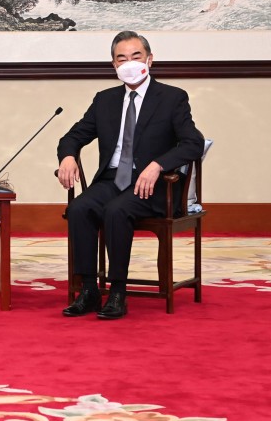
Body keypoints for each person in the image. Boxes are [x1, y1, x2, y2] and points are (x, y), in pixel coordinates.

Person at [56, 31, 204, 320]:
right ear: (114, 65)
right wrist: (68, 156)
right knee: (79, 208)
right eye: (121, 58)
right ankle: (89, 289)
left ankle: (117, 292)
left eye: (136, 56)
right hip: (112, 180)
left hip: (155, 186)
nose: (129, 63)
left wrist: (158, 164)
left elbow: (193, 143)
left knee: (116, 210)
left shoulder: (172, 98)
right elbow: (73, 136)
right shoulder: (105, 100)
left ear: (150, 59)